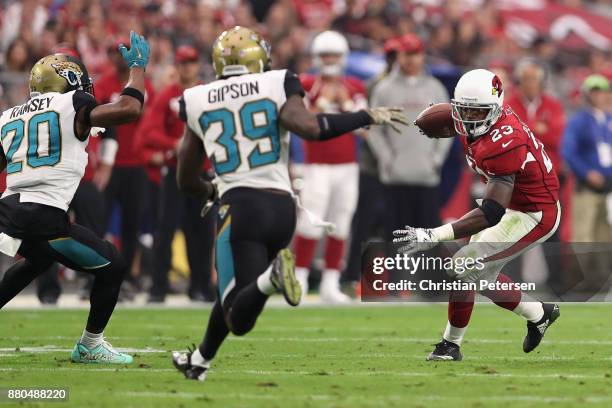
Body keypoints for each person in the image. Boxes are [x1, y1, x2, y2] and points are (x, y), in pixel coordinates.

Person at [171, 26, 408, 381]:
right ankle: (200, 361)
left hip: (241, 208)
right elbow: (311, 127)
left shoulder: (197, 97)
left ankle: (272, 279)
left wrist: (210, 191)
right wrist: (364, 115)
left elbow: (185, 179)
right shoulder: (277, 81)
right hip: (281, 209)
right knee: (235, 292)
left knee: (239, 314)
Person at [0, 31, 150, 363]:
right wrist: (137, 69)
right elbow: (129, 108)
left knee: (38, 260)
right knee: (114, 266)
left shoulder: (9, 116)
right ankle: (90, 345)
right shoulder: (73, 103)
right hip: (43, 216)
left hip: (8, 210)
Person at [394, 69, 561, 360]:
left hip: (533, 213)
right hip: (513, 206)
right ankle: (539, 313)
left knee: (463, 267)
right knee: (471, 273)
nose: (469, 117)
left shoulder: (505, 141)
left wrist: (435, 234)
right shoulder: (477, 118)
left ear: (494, 110)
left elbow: (492, 211)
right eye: (464, 109)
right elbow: (456, 116)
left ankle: (450, 345)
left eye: (477, 111)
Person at [293, 31, 367, 303]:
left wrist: (346, 103)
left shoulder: (355, 86)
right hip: (317, 165)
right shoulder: (307, 82)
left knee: (341, 223)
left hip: (347, 166)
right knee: (310, 222)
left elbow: (366, 126)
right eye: (325, 55)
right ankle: (298, 278)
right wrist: (322, 102)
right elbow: (300, 120)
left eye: (334, 55)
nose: (330, 60)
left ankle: (330, 283)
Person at [138, 45, 216, 303]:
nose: (187, 67)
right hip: (175, 172)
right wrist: (174, 144)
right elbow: (149, 131)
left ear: (197, 65)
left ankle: (200, 286)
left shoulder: (207, 93)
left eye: (191, 62)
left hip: (203, 171)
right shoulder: (167, 95)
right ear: (178, 66)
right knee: (166, 230)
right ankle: (159, 287)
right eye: (183, 63)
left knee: (202, 232)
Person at [367, 34, 452, 241]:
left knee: (427, 238)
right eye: (406, 54)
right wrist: (387, 159)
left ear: (422, 56)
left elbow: (448, 126)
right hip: (395, 177)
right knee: (396, 237)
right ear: (399, 56)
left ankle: (425, 275)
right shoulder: (384, 89)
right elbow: (374, 129)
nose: (411, 60)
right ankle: (397, 275)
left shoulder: (435, 88)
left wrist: (436, 159)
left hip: (426, 176)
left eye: (415, 54)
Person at [95, 39, 155, 297]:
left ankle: (129, 276)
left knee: (132, 225)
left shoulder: (145, 85)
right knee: (98, 222)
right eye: (115, 53)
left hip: (136, 165)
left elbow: (149, 121)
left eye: (122, 53)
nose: (118, 57)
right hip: (110, 166)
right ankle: (96, 276)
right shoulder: (103, 84)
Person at [561, 75, 612, 289]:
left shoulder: (608, 120)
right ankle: (579, 282)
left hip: (608, 188)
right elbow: (568, 152)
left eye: (601, 90)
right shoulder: (579, 121)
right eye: (594, 91)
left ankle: (600, 282)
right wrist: (586, 172)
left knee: (605, 237)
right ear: (587, 94)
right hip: (587, 188)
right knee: (583, 236)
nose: (598, 95)